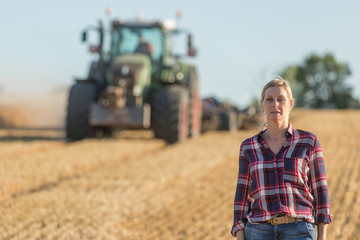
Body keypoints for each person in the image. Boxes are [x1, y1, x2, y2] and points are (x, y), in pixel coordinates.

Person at [231, 76, 332, 240]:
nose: (275, 104)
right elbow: (241, 195)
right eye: (269, 99)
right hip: (258, 231)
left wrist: (322, 236)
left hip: (300, 230)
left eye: (281, 99)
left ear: (290, 104)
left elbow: (321, 192)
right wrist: (239, 233)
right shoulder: (248, 147)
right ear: (262, 105)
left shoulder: (308, 142)